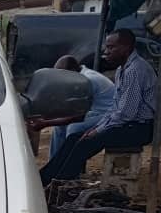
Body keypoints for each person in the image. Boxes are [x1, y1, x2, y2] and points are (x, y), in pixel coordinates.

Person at [40, 29, 156, 185]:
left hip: (139, 128)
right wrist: (96, 128)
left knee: (86, 143)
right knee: (76, 137)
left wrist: (98, 130)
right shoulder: (122, 69)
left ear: (126, 47)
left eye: (111, 47)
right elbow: (115, 108)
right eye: (106, 47)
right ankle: (46, 177)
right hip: (126, 125)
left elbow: (126, 114)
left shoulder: (135, 70)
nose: (106, 52)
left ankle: (61, 183)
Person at [28, 56, 115, 159]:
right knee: (59, 128)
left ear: (71, 72)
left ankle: (71, 166)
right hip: (94, 112)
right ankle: (55, 164)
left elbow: (78, 117)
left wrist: (45, 123)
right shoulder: (79, 77)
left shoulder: (87, 80)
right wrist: (45, 118)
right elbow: (70, 109)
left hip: (109, 115)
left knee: (74, 128)